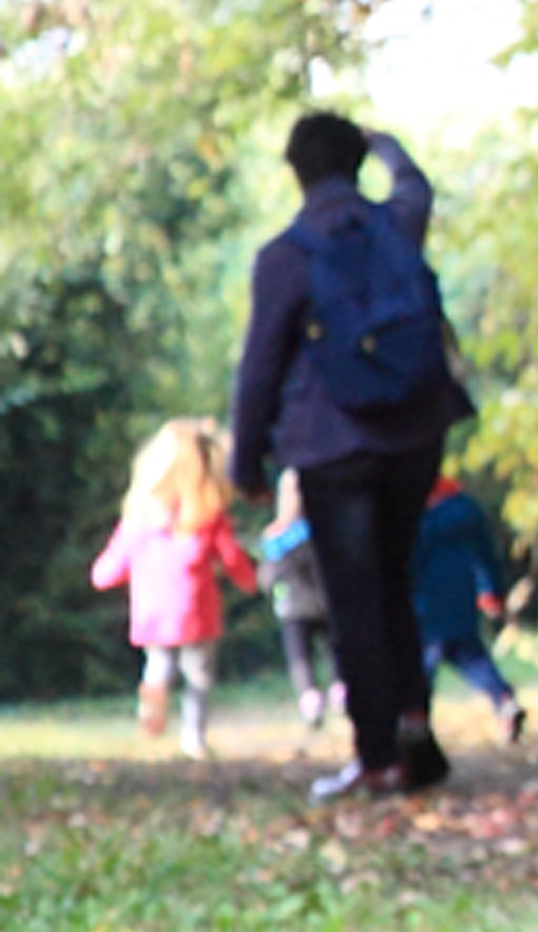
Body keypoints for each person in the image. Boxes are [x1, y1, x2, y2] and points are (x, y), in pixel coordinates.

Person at [229, 111, 475, 800]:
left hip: (331, 445)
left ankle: (378, 756)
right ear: (354, 161)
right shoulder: (397, 225)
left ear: (295, 169)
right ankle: (413, 728)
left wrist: (246, 461)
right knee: (395, 581)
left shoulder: (286, 257)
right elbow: (416, 184)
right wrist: (384, 143)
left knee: (352, 598)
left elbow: (260, 366)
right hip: (415, 436)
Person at [91, 418, 256, 760]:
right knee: (198, 675)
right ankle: (193, 737)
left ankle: (153, 700)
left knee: (158, 665)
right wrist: (249, 581)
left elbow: (106, 571)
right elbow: (232, 558)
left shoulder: (139, 519)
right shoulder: (206, 517)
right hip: (196, 610)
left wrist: (105, 575)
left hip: (152, 613)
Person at [411, 472, 527, 740]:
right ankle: (504, 699)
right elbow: (485, 552)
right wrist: (491, 589)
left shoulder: (412, 513)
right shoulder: (464, 507)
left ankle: (416, 723)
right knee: (470, 653)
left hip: (423, 598)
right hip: (461, 591)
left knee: (423, 662)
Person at [261, 471, 341, 732]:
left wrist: (269, 590)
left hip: (293, 607)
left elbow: (268, 577)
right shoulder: (330, 528)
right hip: (329, 601)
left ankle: (310, 699)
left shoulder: (277, 536)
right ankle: (342, 692)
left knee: (300, 657)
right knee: (335, 651)